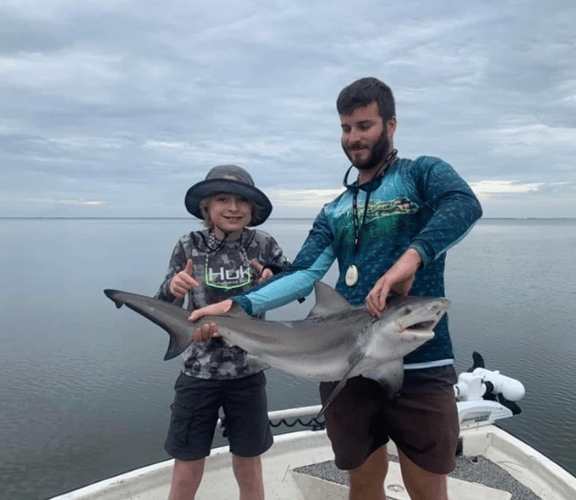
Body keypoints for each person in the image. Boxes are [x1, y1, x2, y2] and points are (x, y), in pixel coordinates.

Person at [188, 77, 483, 500]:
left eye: (365, 125)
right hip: (344, 361)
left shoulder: (421, 174)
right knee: (362, 482)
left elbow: (464, 203)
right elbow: (304, 274)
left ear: (391, 124)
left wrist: (412, 257)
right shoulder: (335, 210)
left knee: (427, 487)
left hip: (422, 364)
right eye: (346, 128)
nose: (354, 137)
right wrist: (240, 303)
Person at [154, 165, 289, 500]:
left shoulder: (264, 244)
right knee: (188, 459)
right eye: (223, 199)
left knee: (249, 460)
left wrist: (275, 278)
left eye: (242, 200)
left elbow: (293, 282)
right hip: (199, 370)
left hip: (249, 369)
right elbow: (164, 304)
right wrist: (173, 287)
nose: (233, 208)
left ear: (253, 209)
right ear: (207, 207)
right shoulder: (188, 245)